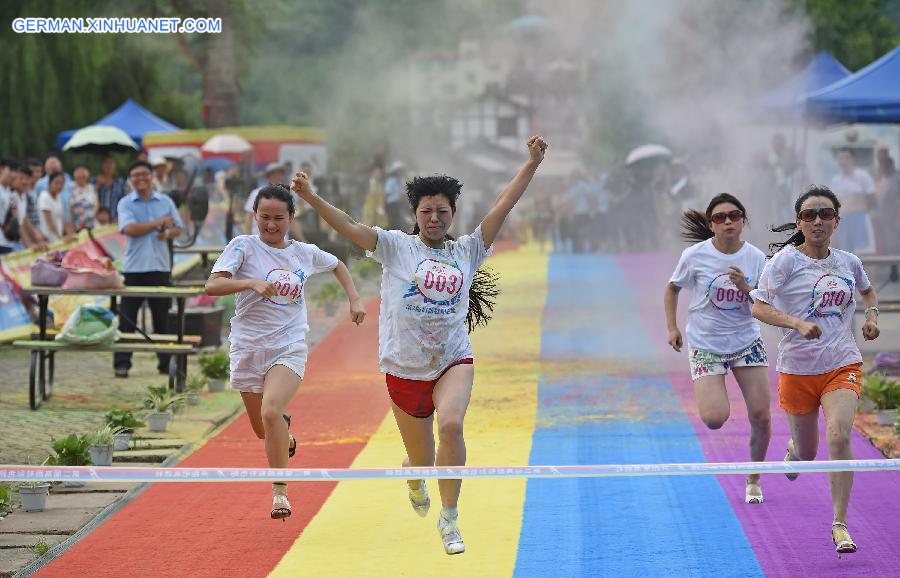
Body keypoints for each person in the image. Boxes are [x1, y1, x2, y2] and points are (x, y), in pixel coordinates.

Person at [291, 135, 548, 555]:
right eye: (426, 211)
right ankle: (413, 474)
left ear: (452, 215)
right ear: (415, 214)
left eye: (441, 211)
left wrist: (532, 163)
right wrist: (310, 197)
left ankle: (449, 520)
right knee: (423, 459)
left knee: (450, 426)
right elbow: (350, 227)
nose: (434, 218)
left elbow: (503, 205)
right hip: (404, 368)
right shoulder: (395, 246)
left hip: (452, 359)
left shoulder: (469, 249)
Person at [205, 184, 365, 520]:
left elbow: (337, 265)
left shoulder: (302, 252)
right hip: (248, 346)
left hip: (289, 344)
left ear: (291, 218)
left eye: (279, 218)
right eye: (265, 217)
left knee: (270, 411)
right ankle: (286, 434)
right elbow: (212, 286)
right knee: (263, 428)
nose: (271, 224)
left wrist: (354, 299)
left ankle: (280, 493)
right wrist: (249, 283)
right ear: (255, 216)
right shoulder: (243, 247)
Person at [750, 185, 880, 555]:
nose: (818, 221)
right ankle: (795, 450)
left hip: (842, 362)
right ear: (800, 223)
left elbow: (868, 292)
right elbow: (758, 307)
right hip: (798, 369)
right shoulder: (786, 262)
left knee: (839, 436)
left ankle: (840, 524)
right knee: (808, 451)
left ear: (837, 221)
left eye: (825, 214)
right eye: (810, 215)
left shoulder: (848, 261)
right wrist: (795, 324)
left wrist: (871, 316)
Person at [664, 193, 771, 504]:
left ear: (743, 221)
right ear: (711, 224)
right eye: (720, 217)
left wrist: (746, 288)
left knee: (762, 416)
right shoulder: (695, 255)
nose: (728, 221)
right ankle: (716, 402)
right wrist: (672, 328)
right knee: (714, 418)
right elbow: (672, 289)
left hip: (745, 342)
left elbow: (765, 303)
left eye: (734, 215)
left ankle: (754, 478)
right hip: (706, 344)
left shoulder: (756, 258)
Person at [113, 161, 183, 379]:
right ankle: (122, 364)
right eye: (135, 175)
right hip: (134, 268)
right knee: (127, 319)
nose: (140, 178)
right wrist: (157, 223)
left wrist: (167, 233)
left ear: (151, 176)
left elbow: (178, 228)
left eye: (144, 174)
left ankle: (165, 362)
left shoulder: (166, 201)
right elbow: (130, 229)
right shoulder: (125, 203)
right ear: (130, 179)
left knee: (162, 317)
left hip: (160, 266)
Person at [829, 148, 876, 254]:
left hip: (860, 218)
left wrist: (867, 210)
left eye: (846, 158)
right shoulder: (836, 180)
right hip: (844, 220)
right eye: (841, 158)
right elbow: (834, 203)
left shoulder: (862, 176)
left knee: (864, 253)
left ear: (853, 159)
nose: (843, 161)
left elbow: (872, 196)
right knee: (846, 253)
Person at [244, 163, 306, 241]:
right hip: (259, 242)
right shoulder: (257, 193)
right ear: (268, 177)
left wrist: (303, 241)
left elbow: (293, 222)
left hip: (280, 244)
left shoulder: (287, 195)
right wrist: (249, 240)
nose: (278, 177)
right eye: (275, 174)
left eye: (280, 174)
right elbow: (248, 218)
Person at [38, 172, 70, 242]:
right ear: (50, 184)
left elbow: (61, 219)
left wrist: (69, 234)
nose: (59, 186)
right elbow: (49, 221)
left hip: (57, 237)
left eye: (62, 183)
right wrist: (60, 238)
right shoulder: (44, 196)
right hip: (48, 238)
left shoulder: (58, 197)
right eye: (57, 183)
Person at [94, 155, 127, 222]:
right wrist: (97, 186)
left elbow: (125, 201)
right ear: (101, 165)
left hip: (115, 220)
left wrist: (119, 217)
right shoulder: (94, 181)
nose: (109, 166)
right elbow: (88, 199)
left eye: (111, 163)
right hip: (96, 221)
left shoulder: (120, 182)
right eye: (106, 163)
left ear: (115, 166)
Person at [69, 164, 98, 232]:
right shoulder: (70, 187)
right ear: (74, 174)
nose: (81, 175)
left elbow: (96, 204)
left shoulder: (91, 187)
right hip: (77, 226)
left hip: (93, 224)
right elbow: (69, 209)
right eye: (78, 172)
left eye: (84, 172)